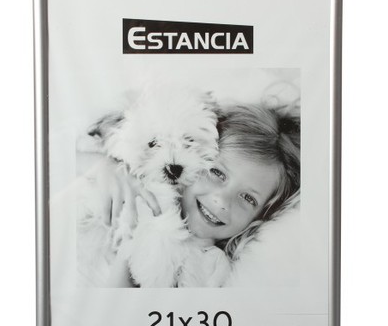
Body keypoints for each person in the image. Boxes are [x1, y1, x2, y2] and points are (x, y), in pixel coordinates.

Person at [105, 103, 300, 287]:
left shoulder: (213, 269)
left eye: (248, 198)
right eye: (217, 173)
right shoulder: (133, 189)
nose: (222, 201)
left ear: (260, 215)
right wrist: (104, 166)